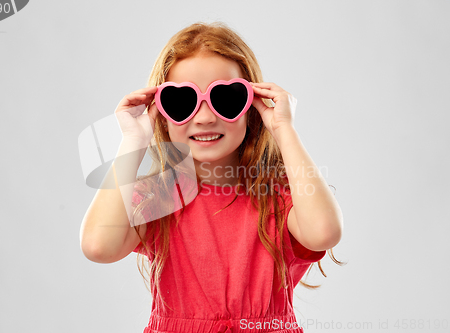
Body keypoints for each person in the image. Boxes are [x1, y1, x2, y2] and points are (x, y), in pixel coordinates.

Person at [80, 21, 344, 333]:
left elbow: (324, 233)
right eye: (182, 102)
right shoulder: (158, 197)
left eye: (226, 99)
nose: (205, 118)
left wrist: (284, 128)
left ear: (251, 106)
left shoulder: (278, 197)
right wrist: (133, 142)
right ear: (161, 113)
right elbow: (98, 246)